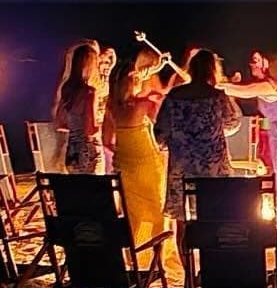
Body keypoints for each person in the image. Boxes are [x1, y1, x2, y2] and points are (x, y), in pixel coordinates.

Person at [154, 49, 242, 237]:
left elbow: (160, 131)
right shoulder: (217, 97)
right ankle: (211, 252)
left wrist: (174, 143)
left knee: (182, 220)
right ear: (213, 70)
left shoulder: (174, 96)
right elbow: (233, 122)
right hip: (212, 167)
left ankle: (186, 255)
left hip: (182, 166)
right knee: (214, 216)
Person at [222, 51, 277, 223]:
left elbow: (240, 90)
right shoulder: (267, 85)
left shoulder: (270, 86)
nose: (251, 64)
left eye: (255, 60)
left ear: (266, 63)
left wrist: (213, 82)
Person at [102, 59, 166, 259]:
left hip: (124, 163)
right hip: (146, 161)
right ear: (132, 81)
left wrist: (123, 150)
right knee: (157, 211)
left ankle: (134, 257)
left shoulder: (111, 106)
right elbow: (162, 122)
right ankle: (158, 260)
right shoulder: (143, 104)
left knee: (132, 213)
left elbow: (107, 140)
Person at [53, 41, 104, 173]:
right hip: (87, 151)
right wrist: (102, 125)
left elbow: (59, 123)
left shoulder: (67, 89)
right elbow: (90, 129)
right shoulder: (89, 92)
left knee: (77, 184)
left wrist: (75, 126)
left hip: (72, 151)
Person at [94, 46, 117, 170]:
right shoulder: (93, 81)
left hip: (101, 121)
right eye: (102, 62)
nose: (106, 65)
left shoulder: (105, 80)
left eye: (108, 62)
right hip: (92, 122)